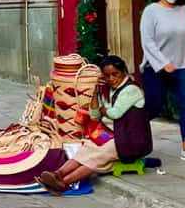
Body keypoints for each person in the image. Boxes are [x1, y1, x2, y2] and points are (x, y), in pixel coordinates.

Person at [38, 55, 146, 193]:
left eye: (115, 74)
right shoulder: (107, 89)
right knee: (88, 147)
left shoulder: (131, 90)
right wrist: (96, 92)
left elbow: (114, 113)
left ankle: (64, 183)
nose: (111, 79)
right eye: (107, 76)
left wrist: (102, 109)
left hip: (129, 139)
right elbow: (94, 115)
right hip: (112, 134)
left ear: (123, 72)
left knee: (98, 155)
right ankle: (57, 174)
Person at [141, 0, 185, 163]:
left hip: (183, 64)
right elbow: (147, 41)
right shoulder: (151, 11)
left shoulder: (184, 10)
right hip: (156, 67)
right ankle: (132, 138)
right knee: (154, 106)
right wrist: (162, 63)